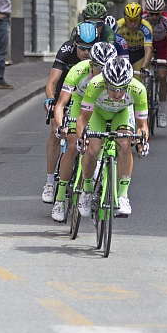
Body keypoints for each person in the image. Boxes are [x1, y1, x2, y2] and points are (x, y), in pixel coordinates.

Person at [50, 41, 118, 222]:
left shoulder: (113, 78)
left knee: (103, 142)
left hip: (100, 106)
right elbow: (61, 105)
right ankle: (60, 198)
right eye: (97, 67)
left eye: (106, 67)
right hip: (79, 104)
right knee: (72, 144)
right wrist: (61, 125)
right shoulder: (77, 71)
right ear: (91, 64)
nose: (102, 72)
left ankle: (99, 186)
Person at [75, 56, 151, 218]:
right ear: (105, 83)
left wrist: (142, 141)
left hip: (121, 113)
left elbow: (142, 124)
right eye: (113, 88)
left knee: (125, 143)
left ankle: (123, 195)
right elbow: (82, 118)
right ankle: (87, 191)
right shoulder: (95, 85)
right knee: (92, 150)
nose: (117, 93)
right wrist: (82, 137)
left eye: (122, 88)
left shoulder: (138, 89)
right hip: (98, 114)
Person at [41, 22, 102, 202]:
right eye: (82, 48)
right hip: (66, 91)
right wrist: (51, 101)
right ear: (74, 43)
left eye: (90, 48)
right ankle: (50, 182)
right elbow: (52, 82)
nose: (86, 53)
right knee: (55, 130)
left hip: (89, 96)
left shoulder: (99, 55)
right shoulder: (66, 50)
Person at [142, 0, 167, 129]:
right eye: (151, 14)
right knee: (142, 74)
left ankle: (162, 111)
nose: (153, 17)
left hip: (162, 47)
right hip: (146, 46)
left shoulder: (166, 20)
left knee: (162, 76)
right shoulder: (143, 19)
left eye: (156, 14)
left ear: (161, 12)